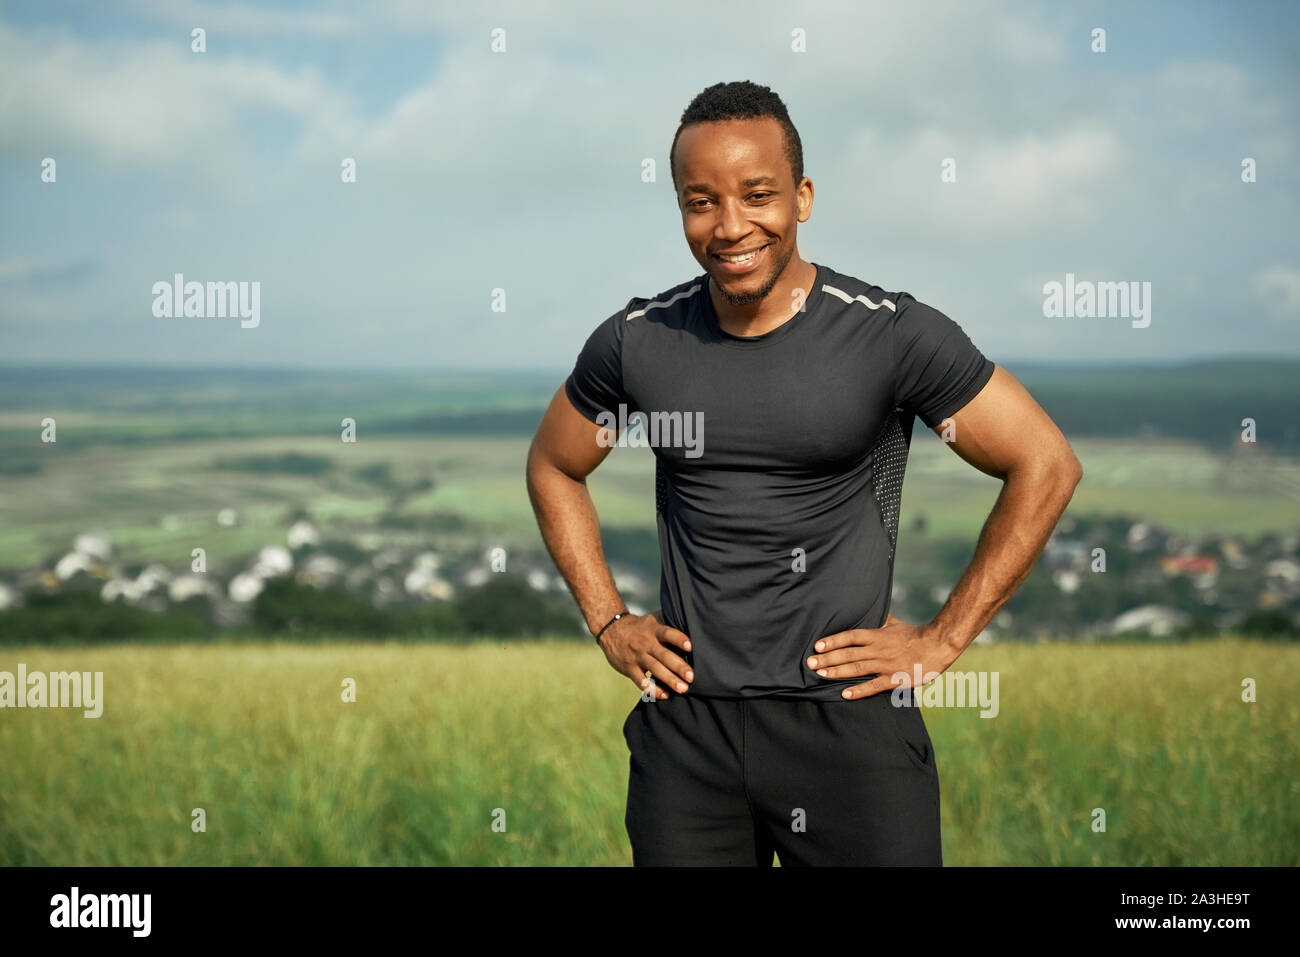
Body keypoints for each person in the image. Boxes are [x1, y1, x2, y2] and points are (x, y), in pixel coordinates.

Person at [525, 80, 1082, 866]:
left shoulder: (891, 335)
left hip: (848, 728)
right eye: (700, 201)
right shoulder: (637, 341)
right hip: (688, 732)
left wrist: (943, 639)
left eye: (758, 195)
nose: (730, 226)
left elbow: (1045, 462)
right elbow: (554, 463)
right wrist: (610, 620)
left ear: (804, 196)